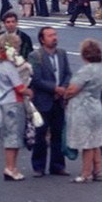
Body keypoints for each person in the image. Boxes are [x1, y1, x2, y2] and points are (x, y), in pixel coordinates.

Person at [29, 26, 72, 177]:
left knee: (58, 133)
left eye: (55, 35)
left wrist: (64, 88)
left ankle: (57, 165)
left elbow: (67, 73)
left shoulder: (62, 53)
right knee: (40, 135)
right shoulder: (36, 56)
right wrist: (55, 89)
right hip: (43, 100)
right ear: (42, 39)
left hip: (59, 101)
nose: (54, 38)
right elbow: (37, 79)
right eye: (50, 36)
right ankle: (39, 166)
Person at [64, 39, 102, 183]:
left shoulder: (86, 70)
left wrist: (65, 95)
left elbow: (72, 89)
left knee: (86, 142)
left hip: (83, 108)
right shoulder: (100, 68)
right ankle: (98, 169)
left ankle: (86, 172)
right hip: (96, 105)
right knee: (95, 139)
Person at [0, 33, 34, 181]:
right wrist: (28, 90)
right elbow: (19, 86)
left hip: (5, 100)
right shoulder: (8, 66)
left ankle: (12, 167)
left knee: (10, 135)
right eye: (16, 46)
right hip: (13, 102)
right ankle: (10, 167)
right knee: (13, 136)